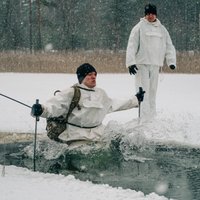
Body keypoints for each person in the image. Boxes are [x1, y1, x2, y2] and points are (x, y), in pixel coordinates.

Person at [31, 63, 145, 144]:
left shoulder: (101, 93)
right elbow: (54, 106)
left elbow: (115, 103)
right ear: (82, 77)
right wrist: (40, 109)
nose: (93, 77)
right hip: (75, 136)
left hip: (98, 135)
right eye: (90, 74)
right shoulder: (72, 92)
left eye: (95, 74)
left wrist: (136, 99)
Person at [126, 3, 176, 120]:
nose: (150, 16)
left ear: (155, 15)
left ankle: (151, 120)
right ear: (145, 15)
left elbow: (169, 46)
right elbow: (131, 45)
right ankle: (143, 119)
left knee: (152, 93)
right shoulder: (139, 27)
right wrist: (130, 62)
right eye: (148, 14)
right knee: (143, 93)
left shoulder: (162, 29)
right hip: (142, 65)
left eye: (152, 14)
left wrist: (171, 61)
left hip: (155, 65)